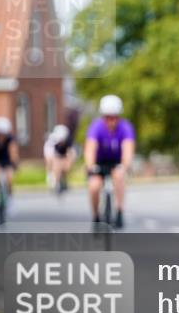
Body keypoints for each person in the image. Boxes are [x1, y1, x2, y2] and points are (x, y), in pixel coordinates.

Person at [84, 95, 135, 228]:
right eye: (107, 117)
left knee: (119, 176)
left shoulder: (125, 127)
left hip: (116, 162)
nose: (111, 121)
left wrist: (124, 166)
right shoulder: (96, 127)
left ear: (118, 116)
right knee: (94, 186)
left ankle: (119, 211)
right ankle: (96, 216)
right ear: (103, 116)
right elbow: (90, 149)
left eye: (114, 117)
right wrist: (91, 166)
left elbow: (128, 150)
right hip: (99, 162)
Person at [43, 124, 74, 193]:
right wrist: (52, 166)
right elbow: (49, 157)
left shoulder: (68, 141)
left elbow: (70, 154)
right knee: (55, 165)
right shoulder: (51, 141)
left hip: (64, 154)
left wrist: (68, 163)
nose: (61, 142)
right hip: (54, 154)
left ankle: (64, 179)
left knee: (66, 165)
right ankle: (53, 179)